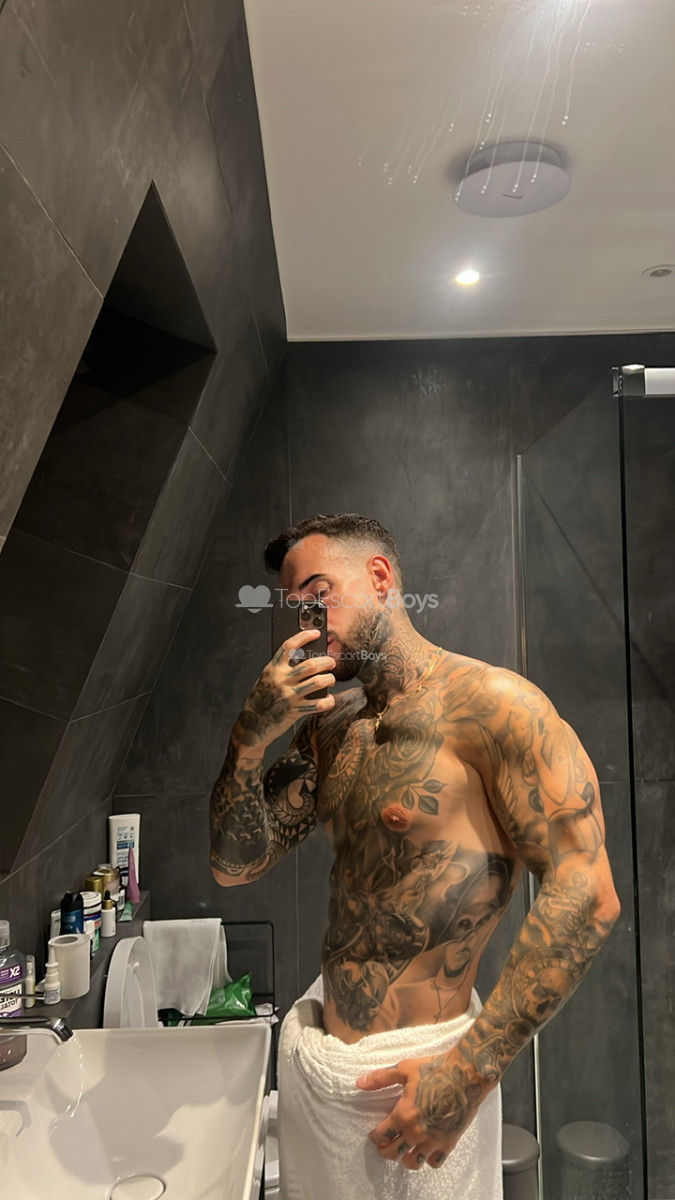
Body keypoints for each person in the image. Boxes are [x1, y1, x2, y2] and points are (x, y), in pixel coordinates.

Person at [209, 512, 621, 1200]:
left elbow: (587, 895)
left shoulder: (495, 707)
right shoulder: (331, 730)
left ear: (379, 577)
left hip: (423, 1076)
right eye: (294, 606)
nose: (306, 620)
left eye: (318, 593)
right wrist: (249, 738)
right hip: (328, 1078)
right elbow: (233, 866)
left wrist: (465, 1076)